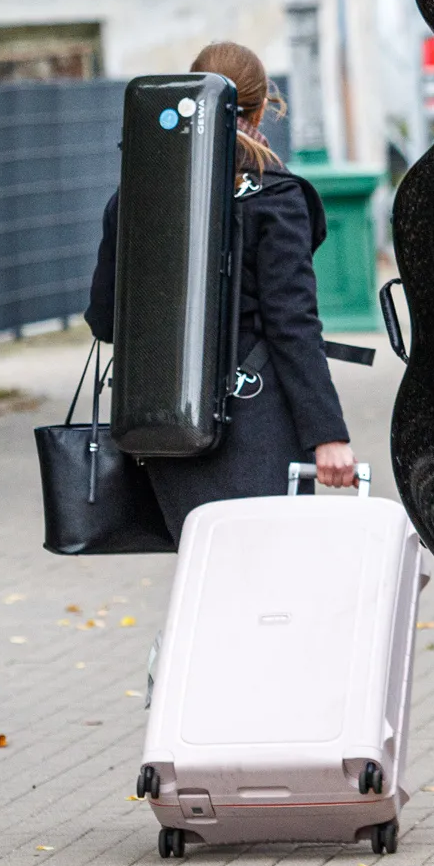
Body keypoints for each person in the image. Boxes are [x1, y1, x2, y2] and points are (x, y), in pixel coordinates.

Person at [84, 41, 357, 532]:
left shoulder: (135, 192)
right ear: (261, 107)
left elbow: (105, 319)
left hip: (169, 427)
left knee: (205, 580)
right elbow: (292, 326)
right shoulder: (276, 198)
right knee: (268, 590)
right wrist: (327, 435)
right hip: (261, 426)